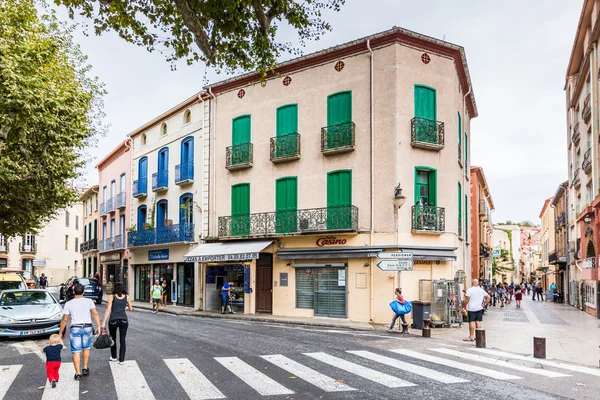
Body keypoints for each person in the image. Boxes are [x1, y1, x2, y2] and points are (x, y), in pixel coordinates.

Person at [59, 283, 101, 380]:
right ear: (83, 292)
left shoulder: (69, 303)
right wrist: (98, 326)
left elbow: (64, 320)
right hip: (87, 327)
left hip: (75, 328)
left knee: (76, 351)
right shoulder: (89, 301)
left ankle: (78, 373)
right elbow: (95, 313)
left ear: (74, 292)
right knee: (86, 348)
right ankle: (85, 368)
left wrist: (60, 333)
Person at [102, 282, 133, 365]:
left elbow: (108, 310)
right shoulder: (127, 297)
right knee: (122, 339)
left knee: (113, 338)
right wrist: (123, 308)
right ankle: (122, 359)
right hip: (124, 320)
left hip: (113, 320)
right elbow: (130, 308)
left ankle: (114, 357)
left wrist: (103, 322)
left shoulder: (111, 297)